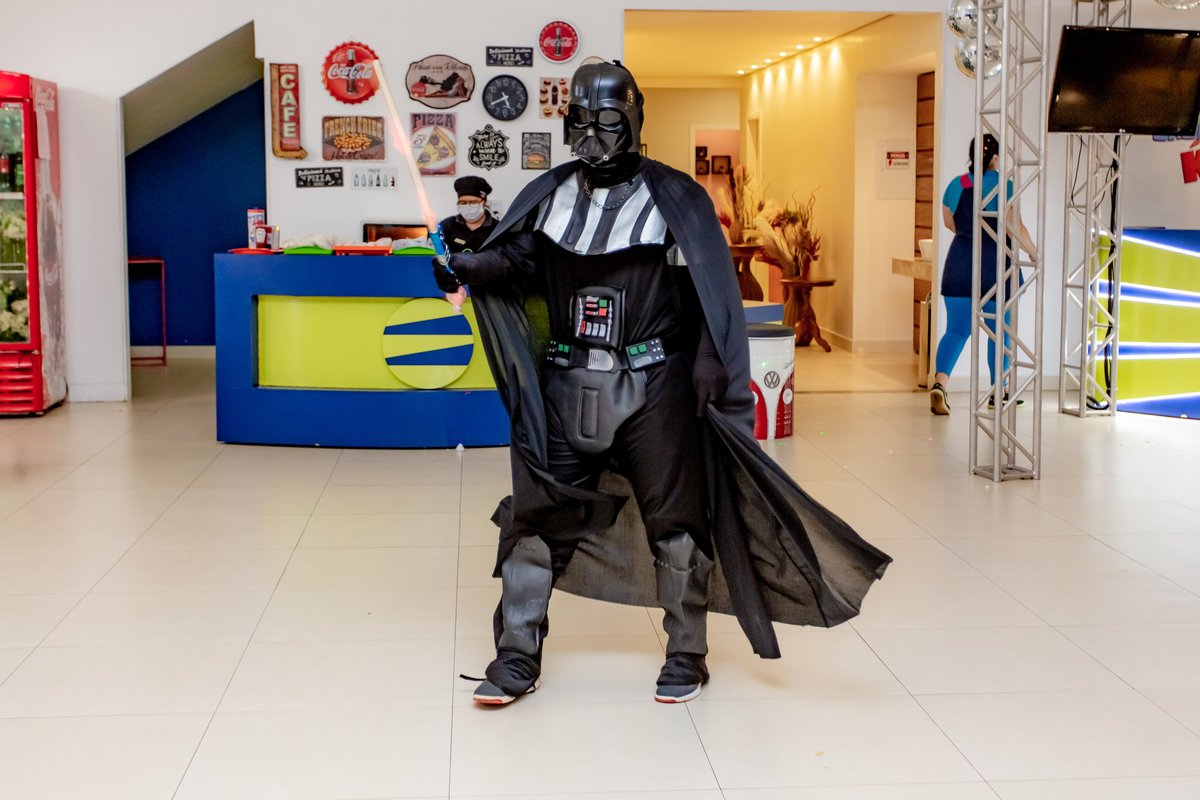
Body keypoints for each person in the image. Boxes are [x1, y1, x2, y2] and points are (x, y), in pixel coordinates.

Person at [434, 61, 891, 706]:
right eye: (581, 119)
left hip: (655, 385)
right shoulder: (551, 194)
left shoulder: (675, 196)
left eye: (607, 119)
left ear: (632, 119)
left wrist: (709, 360)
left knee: (676, 526)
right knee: (537, 520)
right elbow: (519, 259)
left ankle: (686, 654)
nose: (593, 133)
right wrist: (466, 266)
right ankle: (515, 656)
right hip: (567, 382)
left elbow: (707, 288)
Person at [929, 134, 1038, 416]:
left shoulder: (957, 184)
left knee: (956, 330)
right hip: (995, 267)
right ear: (996, 157)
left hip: (959, 264)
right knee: (999, 331)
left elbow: (949, 223)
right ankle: (997, 392)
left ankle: (939, 385)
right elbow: (1014, 226)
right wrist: (1033, 252)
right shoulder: (1004, 184)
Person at [438, 176, 497, 253]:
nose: (468, 207)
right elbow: (437, 251)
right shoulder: (448, 225)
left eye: (473, 202)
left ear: (484, 202)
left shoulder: (497, 228)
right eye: (463, 203)